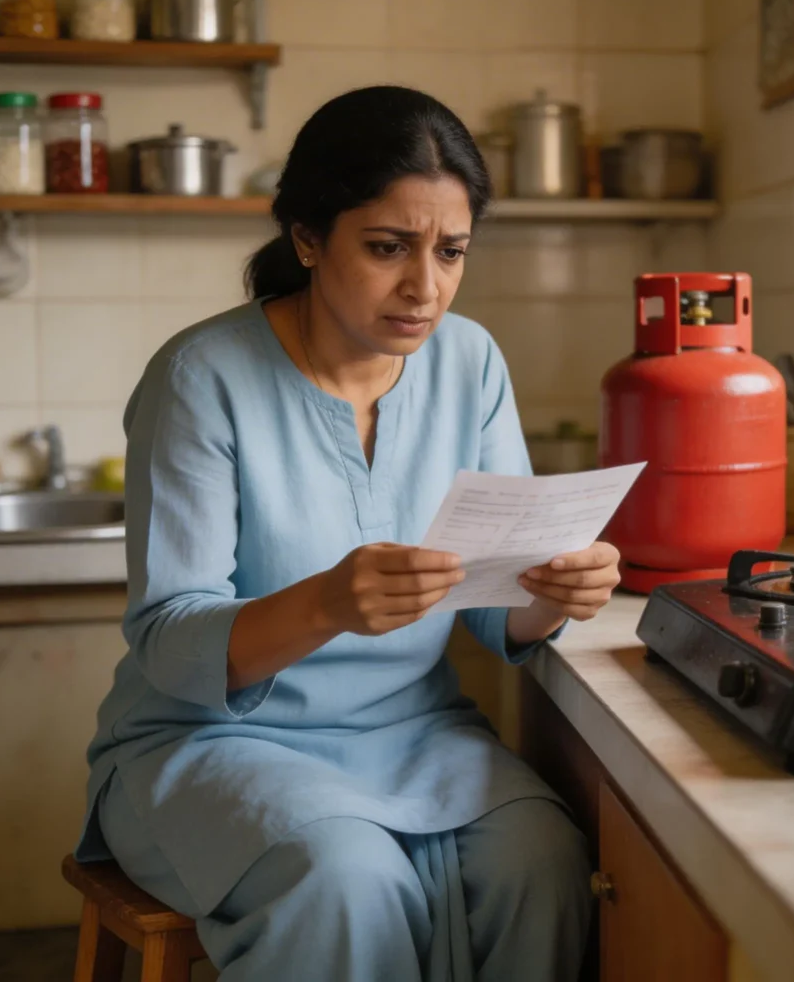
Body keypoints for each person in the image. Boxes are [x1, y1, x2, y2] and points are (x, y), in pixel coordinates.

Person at [74, 85, 622, 982]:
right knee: (347, 880)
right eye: (386, 248)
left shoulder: (471, 362)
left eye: (452, 253)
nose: (426, 287)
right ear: (307, 238)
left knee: (542, 863)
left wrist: (551, 594)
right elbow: (172, 643)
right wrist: (327, 601)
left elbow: (495, 606)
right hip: (210, 743)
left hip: (415, 734)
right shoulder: (200, 378)